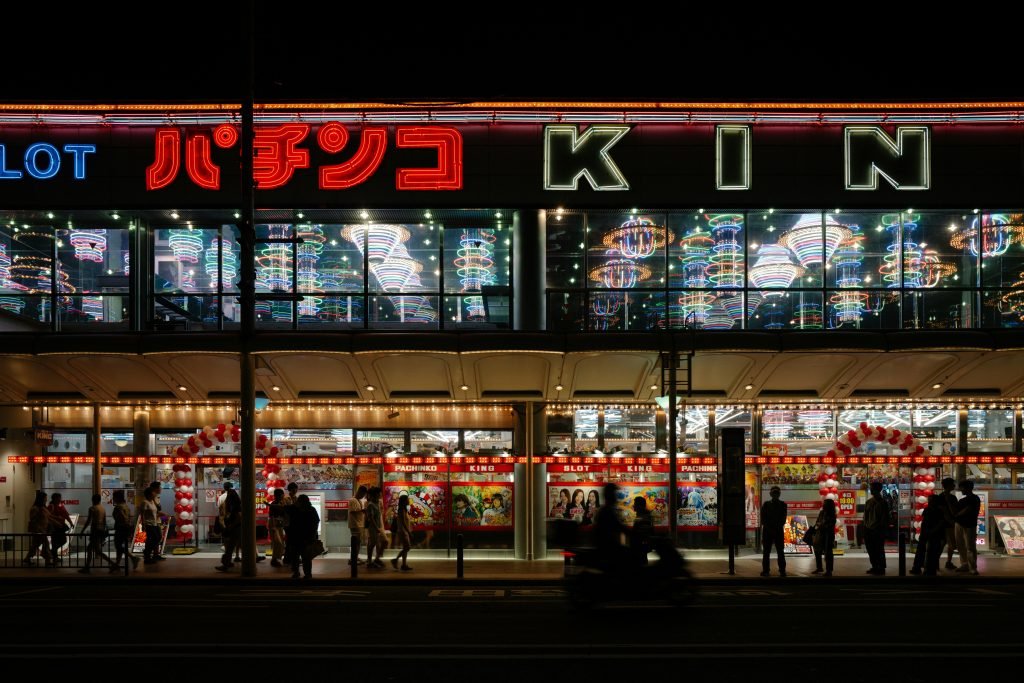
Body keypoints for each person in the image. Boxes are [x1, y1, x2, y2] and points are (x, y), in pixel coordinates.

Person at [594, 483, 629, 572]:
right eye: (615, 494)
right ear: (611, 495)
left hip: (606, 549)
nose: (617, 497)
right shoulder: (608, 511)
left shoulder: (605, 510)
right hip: (609, 550)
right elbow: (620, 527)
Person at [79, 493, 116, 574]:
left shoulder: (92, 508)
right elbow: (104, 521)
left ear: (93, 500)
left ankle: (87, 568)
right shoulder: (102, 508)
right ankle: (112, 564)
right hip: (101, 531)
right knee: (96, 550)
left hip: (95, 531)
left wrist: (82, 531)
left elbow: (88, 521)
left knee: (91, 549)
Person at [288, 494, 320, 580]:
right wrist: (313, 535)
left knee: (295, 556)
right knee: (306, 558)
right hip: (306, 538)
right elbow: (316, 522)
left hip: (295, 537)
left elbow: (285, 509)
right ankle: (307, 574)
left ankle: (296, 572)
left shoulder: (295, 509)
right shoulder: (311, 509)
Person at [954, 479, 981, 575]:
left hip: (969, 525)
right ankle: (965, 564)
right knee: (961, 546)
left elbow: (966, 510)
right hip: (962, 524)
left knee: (970, 547)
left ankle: (972, 567)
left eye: (962, 487)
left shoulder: (974, 498)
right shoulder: (965, 499)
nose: (961, 490)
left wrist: (957, 515)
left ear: (968, 488)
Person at [22, 491, 55, 567]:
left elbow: (48, 516)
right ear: (41, 499)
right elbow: (33, 519)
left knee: (35, 544)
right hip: (39, 530)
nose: (46, 500)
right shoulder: (36, 508)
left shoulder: (42, 508)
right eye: (45, 498)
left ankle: (27, 558)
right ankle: (48, 559)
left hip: (41, 529)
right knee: (45, 543)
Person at [760, 486, 787, 577]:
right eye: (774, 493)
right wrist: (771, 528)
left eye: (776, 493)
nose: (775, 495)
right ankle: (767, 570)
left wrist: (772, 528)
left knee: (779, 552)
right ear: (771, 494)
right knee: (767, 552)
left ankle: (781, 570)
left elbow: (783, 519)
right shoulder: (766, 504)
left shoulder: (783, 505)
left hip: (775, 531)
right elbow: (763, 519)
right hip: (770, 531)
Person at [921, 493, 949, 576]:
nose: (929, 502)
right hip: (933, 533)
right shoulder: (935, 510)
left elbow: (926, 522)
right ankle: (930, 569)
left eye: (931, 500)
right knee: (932, 552)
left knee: (931, 551)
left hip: (934, 533)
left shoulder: (933, 510)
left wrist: (929, 531)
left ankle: (929, 569)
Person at [215, 483, 241, 572]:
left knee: (229, 548)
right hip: (236, 529)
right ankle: (227, 563)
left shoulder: (235, 508)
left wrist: (230, 527)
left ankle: (226, 564)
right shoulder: (236, 505)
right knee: (231, 548)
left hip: (235, 529)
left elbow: (238, 518)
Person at [864, 481, 889, 575]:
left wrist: (882, 529)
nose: (871, 490)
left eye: (872, 488)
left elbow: (884, 518)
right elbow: (865, 516)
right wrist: (866, 527)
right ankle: (875, 566)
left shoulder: (883, 503)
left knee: (879, 549)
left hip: (878, 530)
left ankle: (881, 567)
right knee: (871, 550)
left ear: (877, 490)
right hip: (869, 529)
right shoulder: (869, 502)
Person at [111, 489, 139, 570]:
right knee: (120, 546)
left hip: (120, 528)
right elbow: (128, 517)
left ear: (117, 498)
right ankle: (117, 564)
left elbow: (122, 517)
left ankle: (133, 558)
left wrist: (123, 523)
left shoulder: (118, 507)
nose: (113, 499)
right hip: (126, 528)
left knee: (118, 546)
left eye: (114, 497)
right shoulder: (125, 506)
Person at [812, 498, 837, 577]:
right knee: (817, 551)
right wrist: (819, 525)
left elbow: (830, 525)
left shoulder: (832, 514)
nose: (823, 505)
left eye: (825, 504)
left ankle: (829, 570)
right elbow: (817, 521)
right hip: (820, 534)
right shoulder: (822, 512)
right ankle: (819, 567)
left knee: (828, 552)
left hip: (828, 535)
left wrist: (821, 525)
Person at [939, 478, 960, 570]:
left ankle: (937, 562)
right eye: (952, 484)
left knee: (944, 543)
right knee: (949, 543)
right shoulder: (951, 498)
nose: (954, 486)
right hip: (949, 524)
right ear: (948, 485)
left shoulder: (940, 497)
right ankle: (948, 561)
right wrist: (951, 520)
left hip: (942, 524)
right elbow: (954, 511)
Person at [47, 492, 73, 564]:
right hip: (54, 526)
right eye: (58, 498)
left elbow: (66, 514)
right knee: (55, 541)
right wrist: (57, 518)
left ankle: (53, 552)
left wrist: (70, 522)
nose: (60, 499)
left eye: (60, 498)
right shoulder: (51, 506)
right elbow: (48, 516)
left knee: (63, 540)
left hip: (61, 526)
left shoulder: (61, 505)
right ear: (54, 498)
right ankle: (54, 556)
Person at [390, 493, 413, 571]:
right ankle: (395, 560)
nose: (408, 501)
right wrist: (408, 532)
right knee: (407, 547)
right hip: (403, 531)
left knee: (405, 547)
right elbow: (403, 522)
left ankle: (404, 564)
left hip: (404, 531)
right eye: (407, 499)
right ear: (404, 501)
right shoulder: (402, 510)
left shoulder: (403, 510)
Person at [629, 496, 653, 566]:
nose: (634, 505)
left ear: (639, 506)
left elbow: (641, 532)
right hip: (641, 546)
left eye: (635, 504)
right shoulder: (642, 515)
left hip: (640, 546)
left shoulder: (643, 516)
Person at [141, 485, 162, 564]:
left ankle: (148, 553)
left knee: (158, 538)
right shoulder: (145, 502)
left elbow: (158, 510)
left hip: (155, 523)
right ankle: (147, 556)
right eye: (153, 492)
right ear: (149, 494)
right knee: (152, 540)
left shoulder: (152, 502)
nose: (155, 493)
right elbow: (142, 514)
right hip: (149, 524)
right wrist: (143, 524)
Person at [364, 487, 385, 568]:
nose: (380, 494)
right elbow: (371, 518)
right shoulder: (371, 505)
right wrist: (377, 528)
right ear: (375, 494)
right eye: (379, 493)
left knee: (376, 543)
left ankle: (375, 560)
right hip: (373, 528)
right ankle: (369, 561)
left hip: (377, 527)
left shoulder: (377, 503)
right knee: (372, 544)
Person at [267, 488, 288, 567]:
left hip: (279, 525)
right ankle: (274, 559)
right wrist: (273, 527)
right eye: (282, 495)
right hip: (274, 525)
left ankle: (275, 559)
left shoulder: (280, 503)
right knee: (277, 543)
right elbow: (271, 516)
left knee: (280, 543)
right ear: (278, 495)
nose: (283, 496)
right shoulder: (274, 503)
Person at [347, 485, 367, 566]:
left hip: (359, 524)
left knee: (358, 542)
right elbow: (352, 511)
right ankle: (353, 559)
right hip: (355, 524)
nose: (363, 496)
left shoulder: (358, 501)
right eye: (363, 494)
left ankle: (355, 557)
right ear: (360, 492)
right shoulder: (352, 500)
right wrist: (362, 510)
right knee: (355, 542)